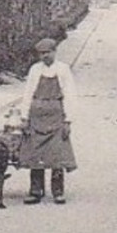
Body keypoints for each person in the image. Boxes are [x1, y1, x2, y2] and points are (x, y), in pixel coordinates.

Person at [19, 37, 78, 204]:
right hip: (36, 118)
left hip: (56, 118)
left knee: (56, 155)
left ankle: (58, 191)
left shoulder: (63, 70)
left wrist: (68, 120)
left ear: (54, 51)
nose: (44, 56)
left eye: (47, 53)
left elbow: (70, 95)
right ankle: (35, 191)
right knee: (35, 154)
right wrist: (24, 117)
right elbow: (28, 93)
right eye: (41, 54)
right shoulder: (35, 70)